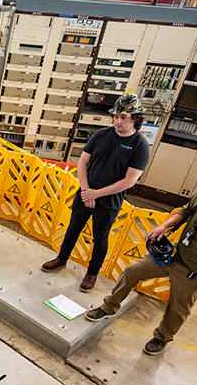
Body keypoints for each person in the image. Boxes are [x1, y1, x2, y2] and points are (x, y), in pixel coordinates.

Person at [85, 149, 197, 355]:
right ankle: (109, 307)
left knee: (177, 307)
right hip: (174, 254)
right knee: (132, 272)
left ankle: (161, 338)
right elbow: (187, 209)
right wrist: (164, 226)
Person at [41, 93, 150, 292]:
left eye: (123, 117)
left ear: (135, 118)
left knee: (100, 238)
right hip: (85, 194)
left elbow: (129, 181)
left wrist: (96, 194)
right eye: (116, 117)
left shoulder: (140, 146)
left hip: (108, 202)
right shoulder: (101, 135)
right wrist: (86, 190)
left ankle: (92, 273)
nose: (118, 121)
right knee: (73, 229)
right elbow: (83, 162)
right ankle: (61, 259)